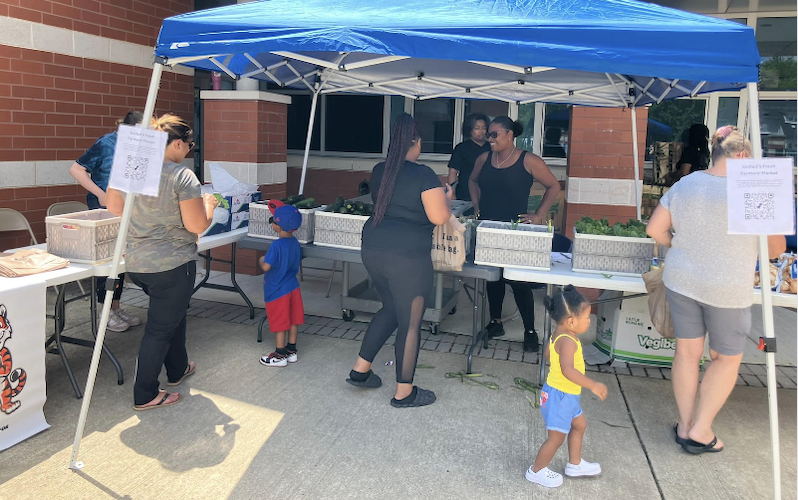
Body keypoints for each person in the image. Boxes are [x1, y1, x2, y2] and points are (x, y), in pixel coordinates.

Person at [646, 125, 786, 454]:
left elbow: (655, 229)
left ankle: (684, 424)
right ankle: (701, 429)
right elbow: (776, 249)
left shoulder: (687, 183)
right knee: (724, 358)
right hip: (727, 286)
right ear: (742, 155)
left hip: (682, 280)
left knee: (686, 353)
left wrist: (681, 247)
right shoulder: (754, 188)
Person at [106, 114, 219, 411]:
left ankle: (178, 368)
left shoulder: (133, 168)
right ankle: (145, 394)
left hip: (138, 264)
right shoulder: (182, 176)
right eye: (189, 145)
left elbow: (114, 207)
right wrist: (208, 207)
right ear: (178, 143)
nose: (189, 151)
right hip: (172, 264)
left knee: (173, 315)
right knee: (159, 329)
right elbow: (196, 226)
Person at [347, 113, 452, 408]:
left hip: (374, 248)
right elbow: (439, 217)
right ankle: (404, 392)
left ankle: (361, 370)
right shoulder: (423, 174)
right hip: (407, 256)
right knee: (410, 322)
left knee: (391, 308)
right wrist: (445, 196)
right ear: (416, 142)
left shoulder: (381, 170)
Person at [468, 116, 561, 352]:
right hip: (489, 228)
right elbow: (472, 180)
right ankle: (495, 322)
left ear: (510, 135)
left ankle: (530, 330)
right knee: (493, 279)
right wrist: (477, 206)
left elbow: (554, 186)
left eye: (494, 134)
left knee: (519, 282)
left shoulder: (528, 161)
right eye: (488, 134)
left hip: (516, 230)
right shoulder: (483, 159)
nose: (489, 138)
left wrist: (539, 214)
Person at [69, 111, 144, 333]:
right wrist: (100, 193)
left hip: (127, 207)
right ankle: (104, 311)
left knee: (120, 261)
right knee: (108, 260)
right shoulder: (107, 143)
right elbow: (76, 169)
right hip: (104, 207)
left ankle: (116, 307)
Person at [526, 285, 607, 488]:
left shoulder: (560, 334)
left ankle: (575, 464)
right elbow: (569, 371)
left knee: (579, 425)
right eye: (587, 318)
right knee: (555, 439)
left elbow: (547, 354)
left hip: (566, 395)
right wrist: (593, 385)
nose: (589, 321)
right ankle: (536, 470)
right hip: (560, 397)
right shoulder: (568, 342)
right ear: (571, 321)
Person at [259, 201, 305, 367]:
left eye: (273, 220)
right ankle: (291, 350)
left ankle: (280, 355)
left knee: (280, 323)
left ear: (278, 226)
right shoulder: (295, 243)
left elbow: (266, 266)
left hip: (277, 290)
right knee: (293, 320)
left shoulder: (276, 245)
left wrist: (261, 259)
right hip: (293, 287)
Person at [448, 113, 490, 201]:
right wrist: (452, 193)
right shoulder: (461, 148)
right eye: (477, 128)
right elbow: (453, 172)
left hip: (487, 191)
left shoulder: (491, 147)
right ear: (469, 130)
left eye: (484, 128)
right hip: (465, 191)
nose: (481, 131)